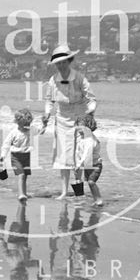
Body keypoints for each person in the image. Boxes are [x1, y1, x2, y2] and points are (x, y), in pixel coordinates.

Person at [42, 45, 96, 200]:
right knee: (63, 158)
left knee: (78, 157)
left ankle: (79, 192)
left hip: (79, 118)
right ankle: (65, 192)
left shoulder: (79, 78)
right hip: (61, 120)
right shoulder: (53, 80)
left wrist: (91, 112)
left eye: (63, 62)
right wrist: (46, 114)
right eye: (58, 63)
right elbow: (49, 100)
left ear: (69, 61)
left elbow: (91, 98)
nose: (61, 65)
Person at [0, 108, 36, 201]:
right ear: (19, 123)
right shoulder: (14, 132)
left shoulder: (30, 131)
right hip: (15, 157)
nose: (27, 126)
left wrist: (45, 124)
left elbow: (40, 131)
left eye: (29, 124)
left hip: (26, 156)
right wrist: (3, 156)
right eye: (25, 124)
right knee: (21, 175)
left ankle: (24, 193)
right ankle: (21, 194)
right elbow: (6, 144)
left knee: (25, 176)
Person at [73, 115, 104, 206]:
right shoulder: (82, 138)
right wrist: (76, 163)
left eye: (82, 127)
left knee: (91, 182)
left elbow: (87, 153)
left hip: (96, 165)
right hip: (87, 165)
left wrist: (79, 164)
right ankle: (96, 199)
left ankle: (99, 200)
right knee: (90, 183)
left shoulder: (90, 139)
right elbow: (78, 152)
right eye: (77, 126)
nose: (79, 129)